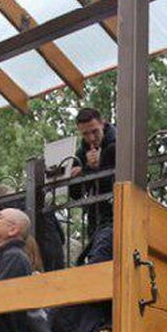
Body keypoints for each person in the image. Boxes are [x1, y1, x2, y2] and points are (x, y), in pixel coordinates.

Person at [69, 106, 117, 263]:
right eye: (85, 134)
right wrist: (86, 170)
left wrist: (96, 166)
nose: (91, 138)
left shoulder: (118, 143)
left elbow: (117, 178)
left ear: (103, 124)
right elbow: (75, 193)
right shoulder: (81, 152)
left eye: (95, 131)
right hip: (96, 217)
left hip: (116, 211)